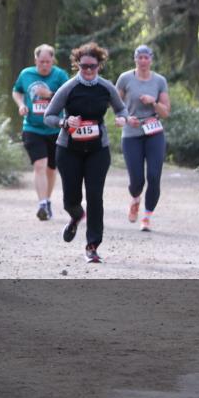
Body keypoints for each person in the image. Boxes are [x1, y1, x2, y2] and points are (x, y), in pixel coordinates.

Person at [43, 42, 128, 264]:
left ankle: (92, 245)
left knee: (95, 196)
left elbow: (121, 108)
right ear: (77, 65)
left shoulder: (106, 87)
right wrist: (64, 121)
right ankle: (75, 216)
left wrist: (122, 118)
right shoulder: (69, 88)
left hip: (98, 150)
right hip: (69, 149)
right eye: (84, 66)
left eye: (92, 66)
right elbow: (48, 116)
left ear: (100, 65)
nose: (88, 71)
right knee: (71, 199)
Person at [116, 45, 171, 232]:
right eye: (140, 57)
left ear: (151, 59)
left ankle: (147, 216)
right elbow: (116, 104)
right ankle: (135, 198)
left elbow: (165, 112)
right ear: (135, 59)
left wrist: (153, 102)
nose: (143, 61)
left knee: (154, 176)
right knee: (137, 180)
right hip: (132, 133)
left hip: (154, 131)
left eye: (146, 57)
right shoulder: (125, 79)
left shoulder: (159, 81)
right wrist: (123, 118)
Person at [12, 44, 69, 221]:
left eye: (48, 61)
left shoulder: (60, 75)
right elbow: (17, 91)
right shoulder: (26, 74)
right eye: (41, 61)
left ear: (53, 60)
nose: (44, 65)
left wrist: (49, 94)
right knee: (40, 165)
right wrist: (21, 105)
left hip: (54, 128)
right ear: (35, 60)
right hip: (32, 127)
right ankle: (42, 203)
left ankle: (48, 200)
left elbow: (69, 96)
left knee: (52, 169)